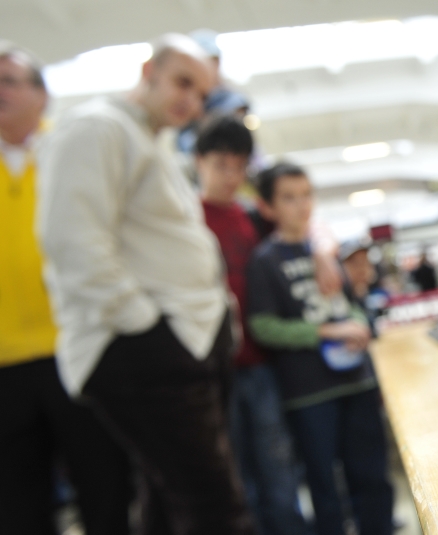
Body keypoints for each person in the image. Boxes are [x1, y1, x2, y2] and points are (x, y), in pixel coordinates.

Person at [36, 34, 255, 535]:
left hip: (177, 342)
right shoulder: (97, 128)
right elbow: (74, 241)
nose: (191, 100)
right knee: (215, 506)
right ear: (147, 70)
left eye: (202, 93)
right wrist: (146, 326)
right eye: (182, 82)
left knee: (171, 502)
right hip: (145, 346)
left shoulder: (150, 140)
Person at [0, 41, 133, 535]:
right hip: (6, 366)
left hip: (79, 349)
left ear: (41, 94)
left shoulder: (73, 151)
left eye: (9, 80)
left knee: (106, 487)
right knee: (17, 503)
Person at [246, 163, 394, 535]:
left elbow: (350, 302)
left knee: (373, 476)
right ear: (268, 207)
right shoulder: (264, 261)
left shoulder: (327, 250)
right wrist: (326, 331)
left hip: (357, 379)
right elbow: (263, 326)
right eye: (289, 198)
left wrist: (359, 321)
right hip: (309, 392)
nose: (301, 205)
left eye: (306, 195)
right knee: (325, 486)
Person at [195, 115, 309, 535]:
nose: (230, 176)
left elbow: (303, 231)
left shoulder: (253, 219)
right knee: (236, 472)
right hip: (213, 370)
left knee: (278, 464)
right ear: (199, 161)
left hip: (261, 363)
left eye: (239, 166)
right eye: (221, 165)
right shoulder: (185, 219)